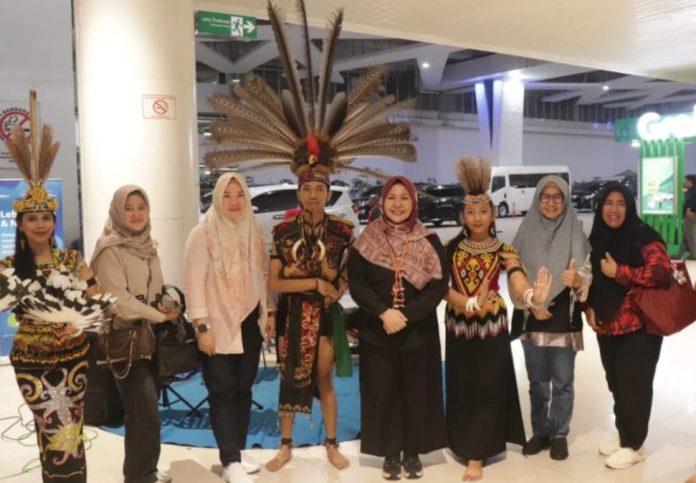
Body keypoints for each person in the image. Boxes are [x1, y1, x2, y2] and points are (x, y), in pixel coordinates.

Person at [1, 90, 106, 483]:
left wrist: (83, 313)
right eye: (33, 219)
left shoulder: (72, 260)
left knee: (73, 428)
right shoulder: (9, 267)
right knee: (50, 427)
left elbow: (97, 300)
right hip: (31, 360)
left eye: (46, 217)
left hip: (73, 356)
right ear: (21, 225)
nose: (41, 224)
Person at [444, 156, 551, 482]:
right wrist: (464, 301)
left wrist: (531, 295)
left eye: (483, 211)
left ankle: (477, 452)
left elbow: (516, 279)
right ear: (462, 215)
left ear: (493, 214)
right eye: (471, 211)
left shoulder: (504, 250)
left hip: (491, 328)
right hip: (458, 327)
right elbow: (438, 287)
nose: (477, 217)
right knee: (462, 385)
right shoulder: (449, 248)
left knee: (487, 386)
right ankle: (462, 441)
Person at [348, 176, 448, 480]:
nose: (398, 204)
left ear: (414, 203)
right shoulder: (366, 239)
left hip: (418, 330)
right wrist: (384, 313)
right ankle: (390, 452)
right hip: (377, 329)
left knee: (417, 391)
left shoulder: (428, 240)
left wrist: (405, 316)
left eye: (405, 198)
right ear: (382, 202)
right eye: (392, 197)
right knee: (383, 391)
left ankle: (413, 451)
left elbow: (438, 285)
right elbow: (357, 284)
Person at [184, 173, 275, 483]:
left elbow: (263, 275)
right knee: (222, 390)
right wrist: (202, 326)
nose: (234, 202)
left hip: (249, 322)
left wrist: (269, 310)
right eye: (227, 195)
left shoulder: (254, 230)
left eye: (239, 195)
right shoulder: (203, 233)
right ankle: (230, 460)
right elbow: (193, 283)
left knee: (243, 389)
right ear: (217, 198)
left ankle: (237, 449)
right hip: (217, 324)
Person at [265, 167, 354, 473]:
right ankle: (285, 445)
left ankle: (332, 443)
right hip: (291, 313)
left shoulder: (342, 231)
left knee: (324, 378)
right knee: (288, 377)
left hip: (325, 314)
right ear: (298, 194)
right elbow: (275, 282)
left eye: (319, 189)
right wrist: (315, 283)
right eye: (307, 189)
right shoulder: (282, 232)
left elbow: (348, 269)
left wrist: (339, 289)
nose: (313, 195)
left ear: (328, 193)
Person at [91, 186, 180, 483]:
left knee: (146, 414)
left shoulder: (148, 246)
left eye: (142, 207)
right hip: (126, 340)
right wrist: (159, 315)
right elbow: (118, 301)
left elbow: (155, 288)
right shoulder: (109, 249)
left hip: (150, 338)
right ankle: (139, 476)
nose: (136, 213)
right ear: (118, 211)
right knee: (143, 413)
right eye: (128, 208)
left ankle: (145, 472)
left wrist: (167, 302)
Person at [585, 182, 671, 470]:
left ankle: (635, 445)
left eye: (621, 203)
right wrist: (588, 307)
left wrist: (619, 271)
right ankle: (625, 434)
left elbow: (661, 273)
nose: (614, 209)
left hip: (639, 325)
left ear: (630, 207)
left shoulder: (644, 236)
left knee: (634, 384)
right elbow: (590, 277)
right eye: (608, 203)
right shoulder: (597, 237)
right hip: (607, 324)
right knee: (616, 382)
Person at [510, 176, 592, 461]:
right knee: (537, 380)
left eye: (558, 197)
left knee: (563, 381)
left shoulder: (575, 232)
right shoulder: (526, 230)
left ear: (566, 200)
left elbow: (587, 274)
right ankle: (540, 431)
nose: (551, 203)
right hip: (532, 315)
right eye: (545, 197)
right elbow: (513, 273)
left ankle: (559, 434)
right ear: (537, 199)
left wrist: (578, 280)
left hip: (562, 318)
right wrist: (530, 301)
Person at [678, 175, 696, 259]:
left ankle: (694, 254)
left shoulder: (692, 191)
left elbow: (691, 202)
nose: (684, 182)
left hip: (690, 215)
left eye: (686, 180)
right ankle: (679, 254)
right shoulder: (690, 191)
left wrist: (689, 210)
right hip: (690, 215)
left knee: (689, 235)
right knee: (686, 235)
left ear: (691, 182)